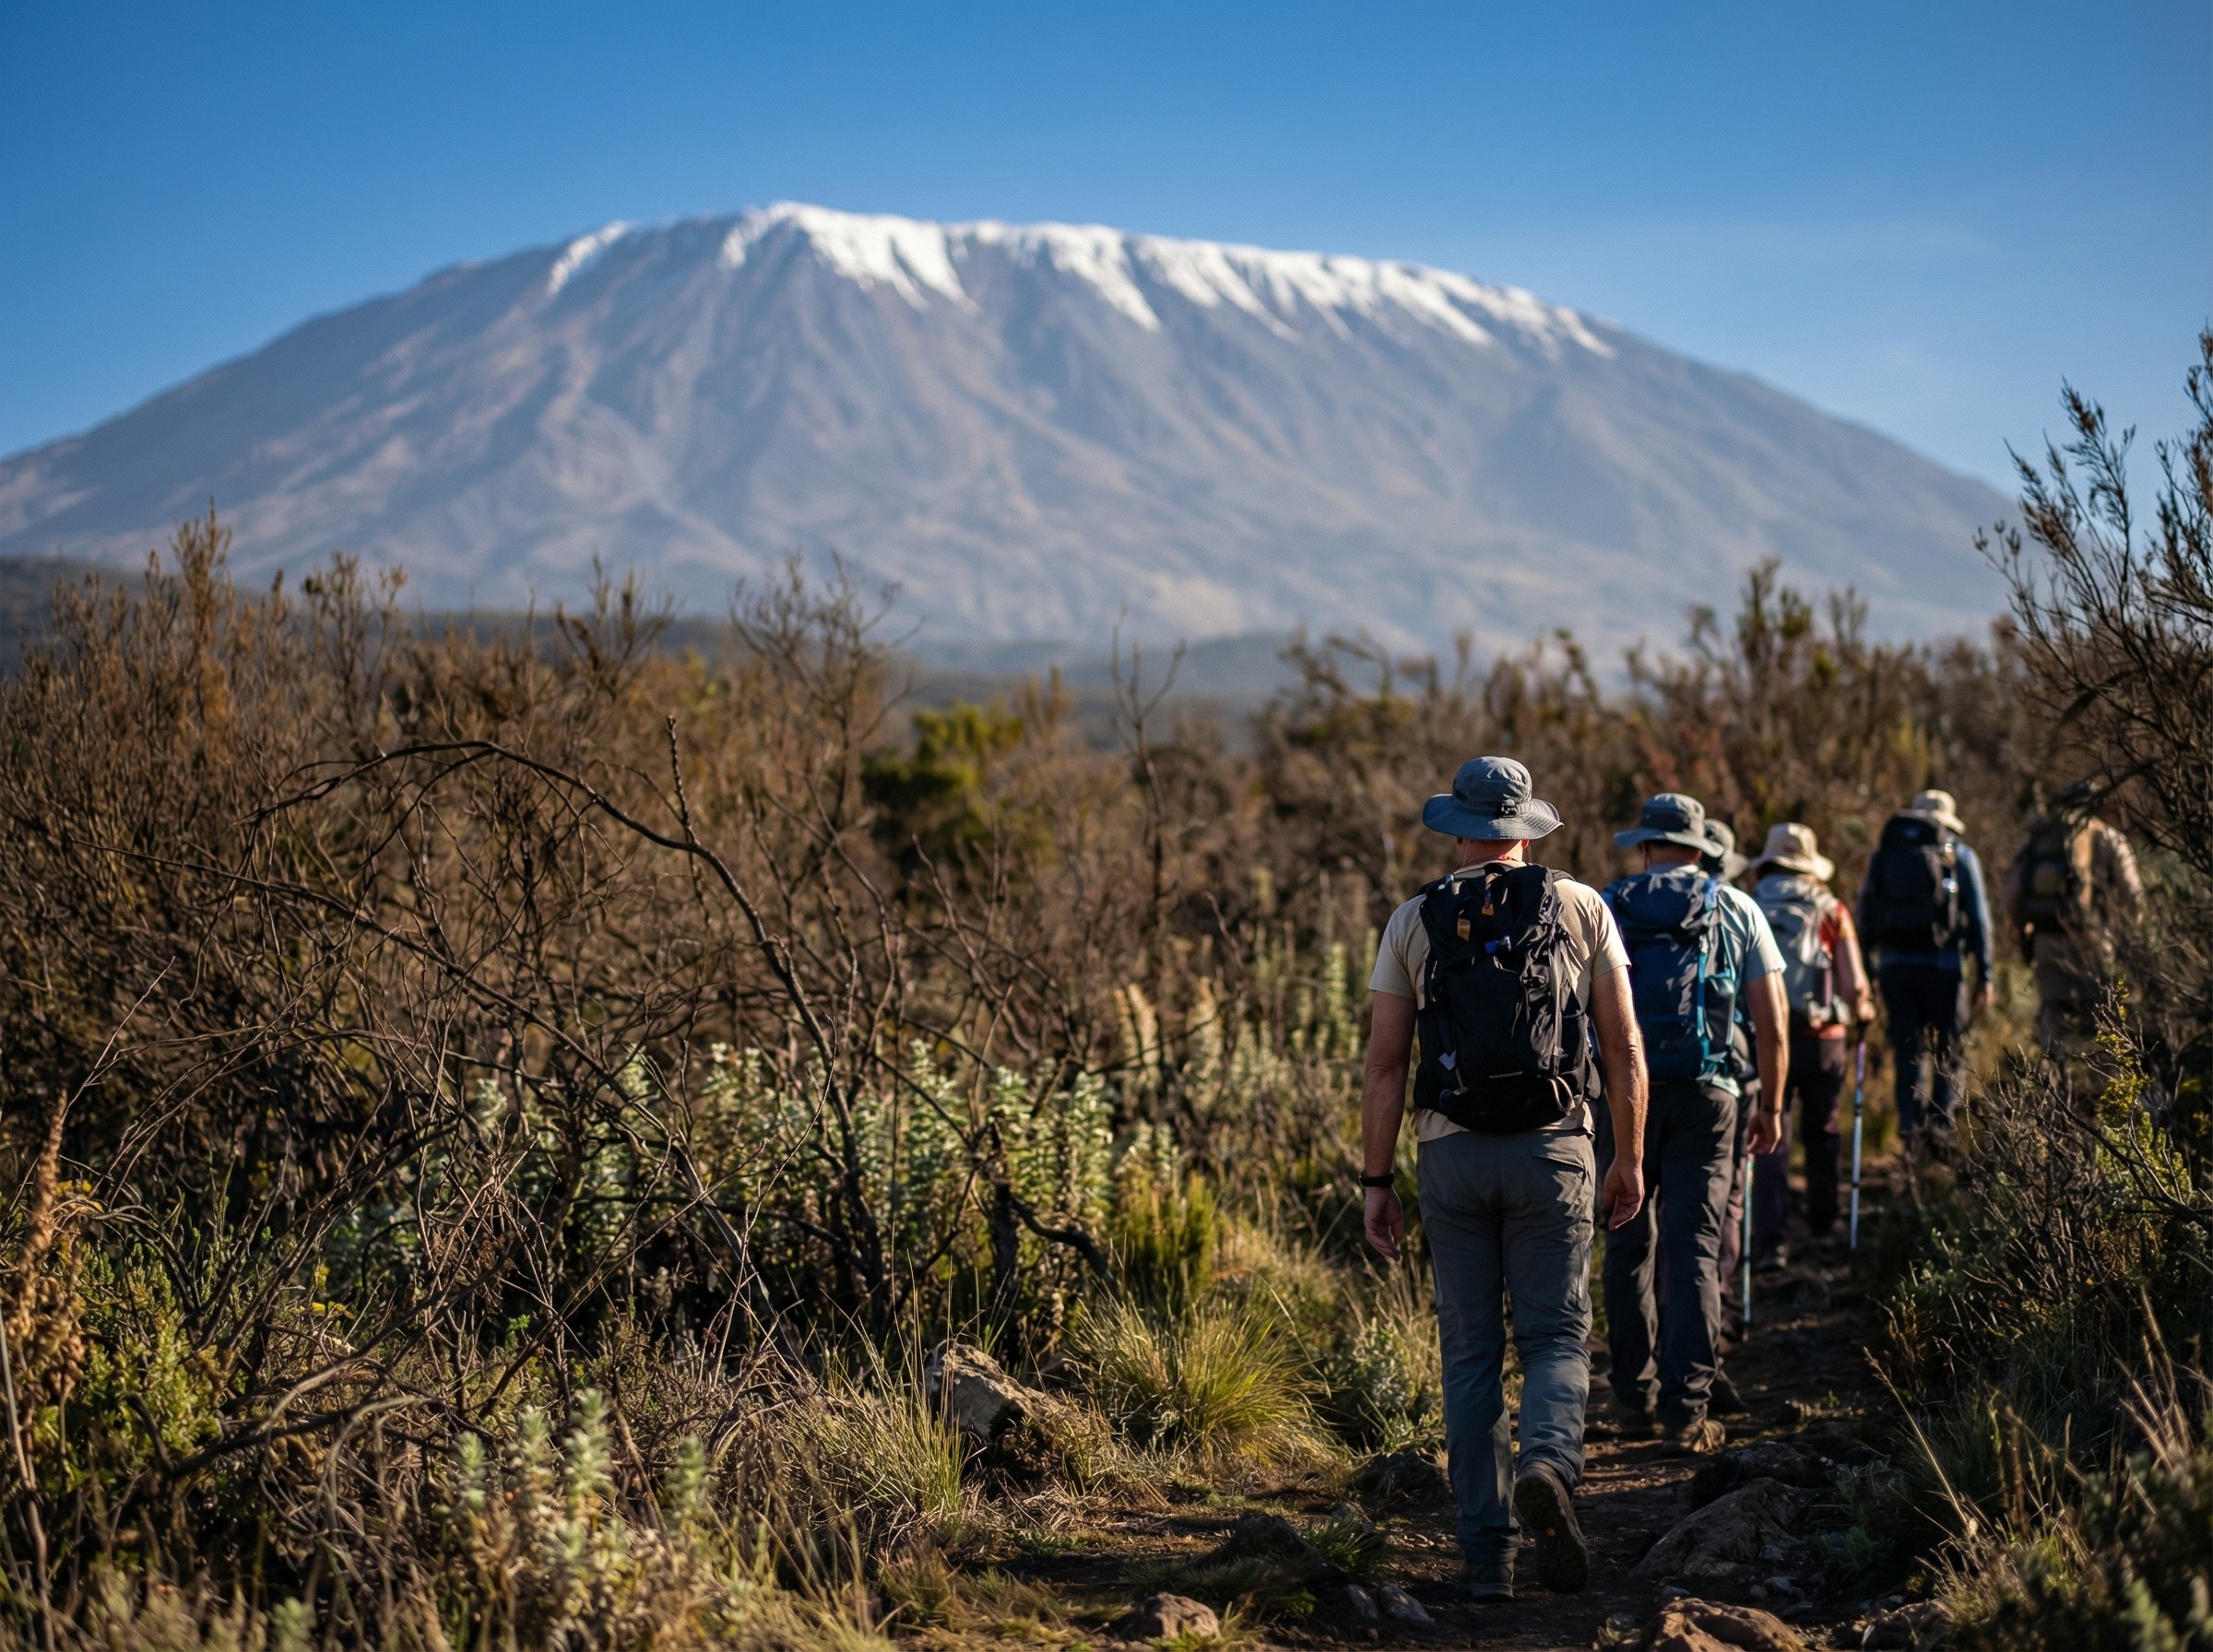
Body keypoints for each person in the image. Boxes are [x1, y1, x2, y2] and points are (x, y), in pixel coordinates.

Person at [1359, 757, 1648, 1602]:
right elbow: (1625, 1047)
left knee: (1472, 1354)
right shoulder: (1582, 907)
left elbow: (1385, 1065)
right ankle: (1551, 1467)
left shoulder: (1413, 921)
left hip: (1450, 1155)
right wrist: (1627, 1157)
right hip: (1553, 1150)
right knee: (1556, 1337)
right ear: (1527, 831)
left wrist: (1376, 1181)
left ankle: (1487, 1557)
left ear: (1456, 830)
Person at [1601, 794, 1785, 1456]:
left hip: (1625, 1093)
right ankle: (1686, 1410)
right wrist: (1772, 1105)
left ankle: (1631, 1396)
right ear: (1703, 848)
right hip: (1711, 1092)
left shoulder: (1609, 903)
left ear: (1645, 844)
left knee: (1627, 1244)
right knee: (1695, 1249)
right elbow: (1774, 1019)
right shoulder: (1735, 906)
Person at [1748, 824, 1875, 1267]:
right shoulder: (1831, 909)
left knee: (1768, 1134)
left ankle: (1772, 1238)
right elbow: (1853, 983)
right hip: (1823, 1042)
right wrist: (1863, 1010)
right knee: (1822, 1130)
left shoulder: (1751, 904)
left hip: (1765, 1038)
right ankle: (1825, 1221)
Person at [1858, 789, 1992, 1140]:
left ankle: (1910, 1130)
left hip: (1894, 969)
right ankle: (1942, 1128)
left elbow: (1865, 915)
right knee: (1951, 1050)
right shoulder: (1959, 855)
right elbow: (1978, 918)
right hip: (1945, 968)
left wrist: (1868, 971)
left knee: (1908, 1051)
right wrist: (1986, 974)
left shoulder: (1884, 854)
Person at [2005, 785, 2143, 1053]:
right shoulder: (2108, 838)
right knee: (2104, 1021)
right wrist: (2128, 936)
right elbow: (2134, 897)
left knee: (2052, 1020)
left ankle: (2056, 1084)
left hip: (2046, 939)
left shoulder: (2040, 837)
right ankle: (2103, 1088)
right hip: (2093, 942)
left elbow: (2010, 895)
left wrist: (2027, 927)